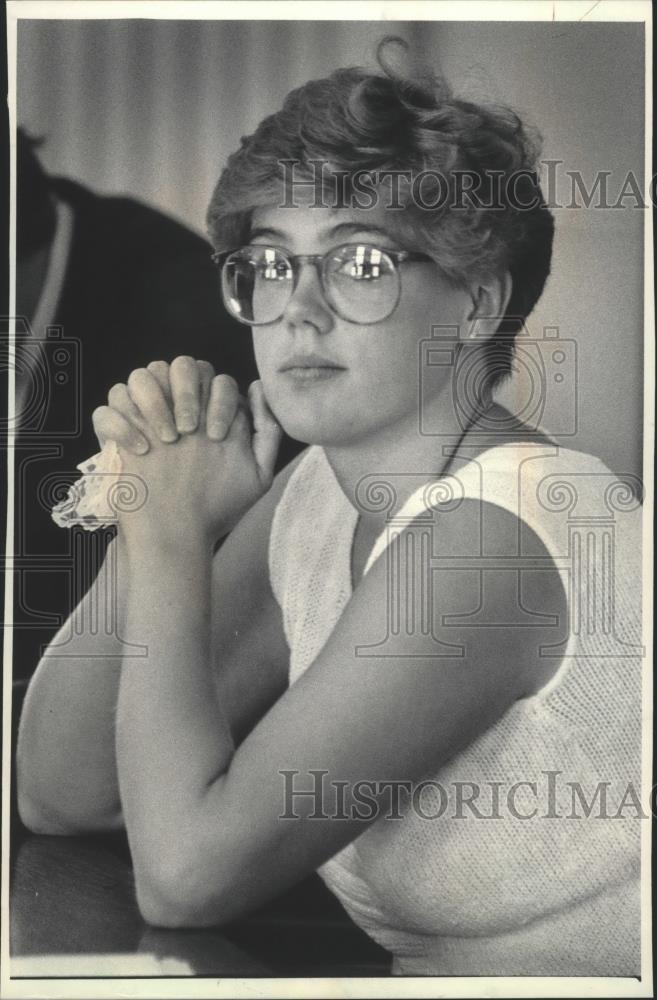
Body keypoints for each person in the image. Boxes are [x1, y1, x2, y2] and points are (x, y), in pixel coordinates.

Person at [16, 45, 643, 976]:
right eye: (267, 265)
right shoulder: (316, 492)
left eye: (356, 262)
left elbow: (186, 878)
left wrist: (174, 537)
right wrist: (151, 513)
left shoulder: (489, 540)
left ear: (477, 300)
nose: (295, 311)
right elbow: (62, 792)